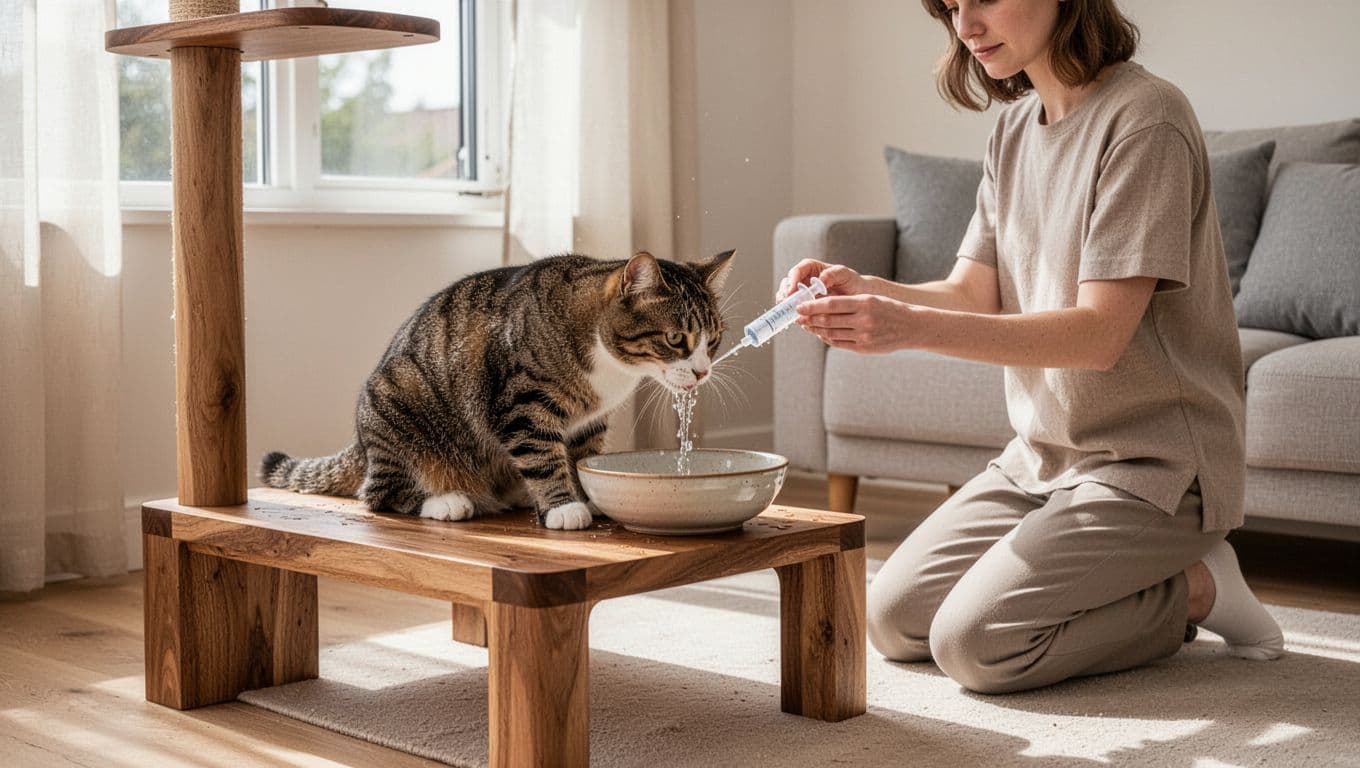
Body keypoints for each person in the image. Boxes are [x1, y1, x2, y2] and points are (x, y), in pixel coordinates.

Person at [779, 0, 1284, 694]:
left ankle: (1197, 589)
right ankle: (1153, 579)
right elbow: (971, 292)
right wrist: (868, 289)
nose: (965, 26)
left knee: (977, 647)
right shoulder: (1013, 129)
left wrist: (907, 330)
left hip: (1158, 468)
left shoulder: (1147, 120)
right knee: (895, 619)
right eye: (952, 6)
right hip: (1041, 459)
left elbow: (1099, 334)